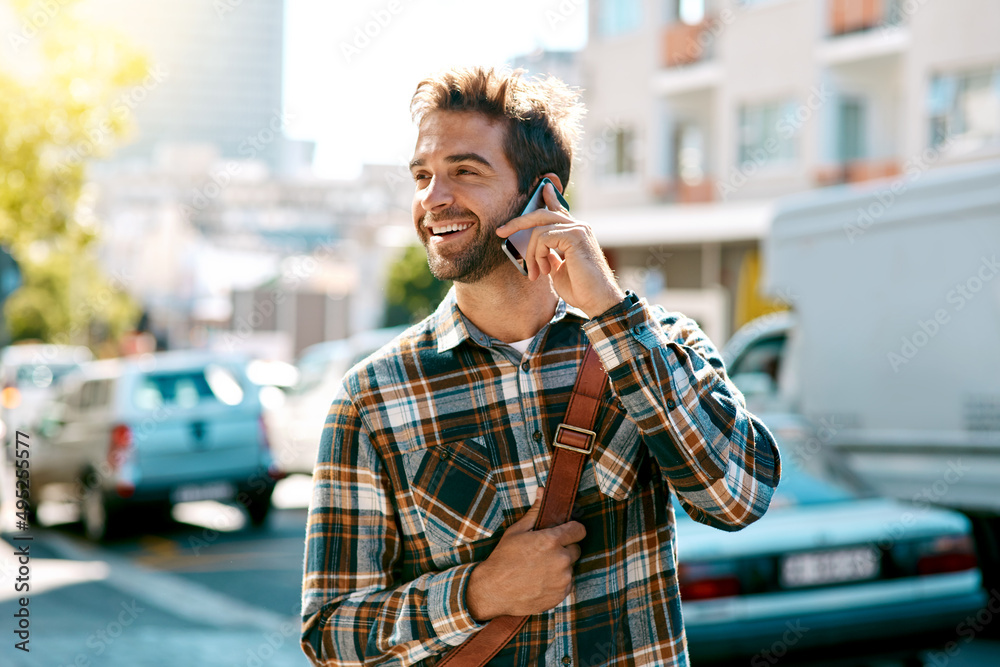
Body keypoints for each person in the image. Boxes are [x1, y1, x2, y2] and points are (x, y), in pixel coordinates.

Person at [301, 66, 781, 667]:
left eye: (465, 171)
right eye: (423, 176)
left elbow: (737, 500)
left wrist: (609, 312)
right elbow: (330, 637)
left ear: (543, 196)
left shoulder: (663, 345)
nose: (433, 199)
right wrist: (477, 594)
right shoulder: (371, 398)